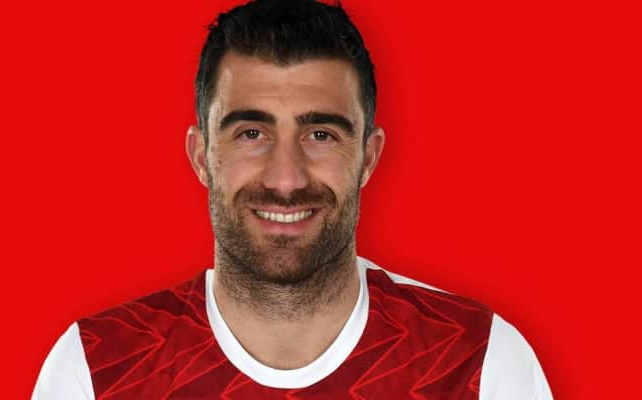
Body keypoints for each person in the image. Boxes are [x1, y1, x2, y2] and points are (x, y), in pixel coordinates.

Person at [32, 0, 552, 398]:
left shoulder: (478, 362)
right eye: (251, 133)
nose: (286, 179)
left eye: (321, 135)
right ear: (201, 155)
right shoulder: (98, 369)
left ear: (368, 157)